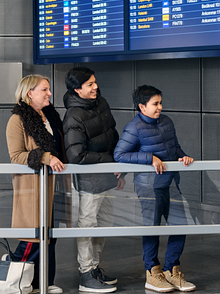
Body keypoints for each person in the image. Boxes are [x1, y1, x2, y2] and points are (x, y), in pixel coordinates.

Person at [114, 85, 196, 292]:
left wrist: (182, 156)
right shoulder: (134, 128)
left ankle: (172, 270)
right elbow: (120, 155)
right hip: (148, 186)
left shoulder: (167, 121)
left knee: (180, 225)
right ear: (142, 107)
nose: (160, 107)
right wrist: (150, 158)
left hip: (170, 183)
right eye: (155, 104)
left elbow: (174, 147)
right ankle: (152, 273)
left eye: (160, 102)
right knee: (152, 229)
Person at [6, 74, 67, 294]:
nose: (49, 93)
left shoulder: (50, 116)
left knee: (49, 238)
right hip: (33, 189)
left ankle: (43, 283)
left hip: (53, 187)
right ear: (29, 93)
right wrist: (45, 157)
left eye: (49, 89)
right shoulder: (17, 120)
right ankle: (14, 280)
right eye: (44, 89)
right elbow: (16, 156)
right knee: (32, 239)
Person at [63, 67, 122, 293]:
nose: (95, 87)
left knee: (105, 222)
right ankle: (86, 272)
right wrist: (110, 161)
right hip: (90, 181)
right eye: (89, 84)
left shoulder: (101, 102)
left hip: (107, 176)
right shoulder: (74, 116)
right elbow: (76, 155)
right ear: (77, 90)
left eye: (94, 82)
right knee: (87, 225)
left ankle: (95, 267)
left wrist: (120, 169)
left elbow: (113, 135)